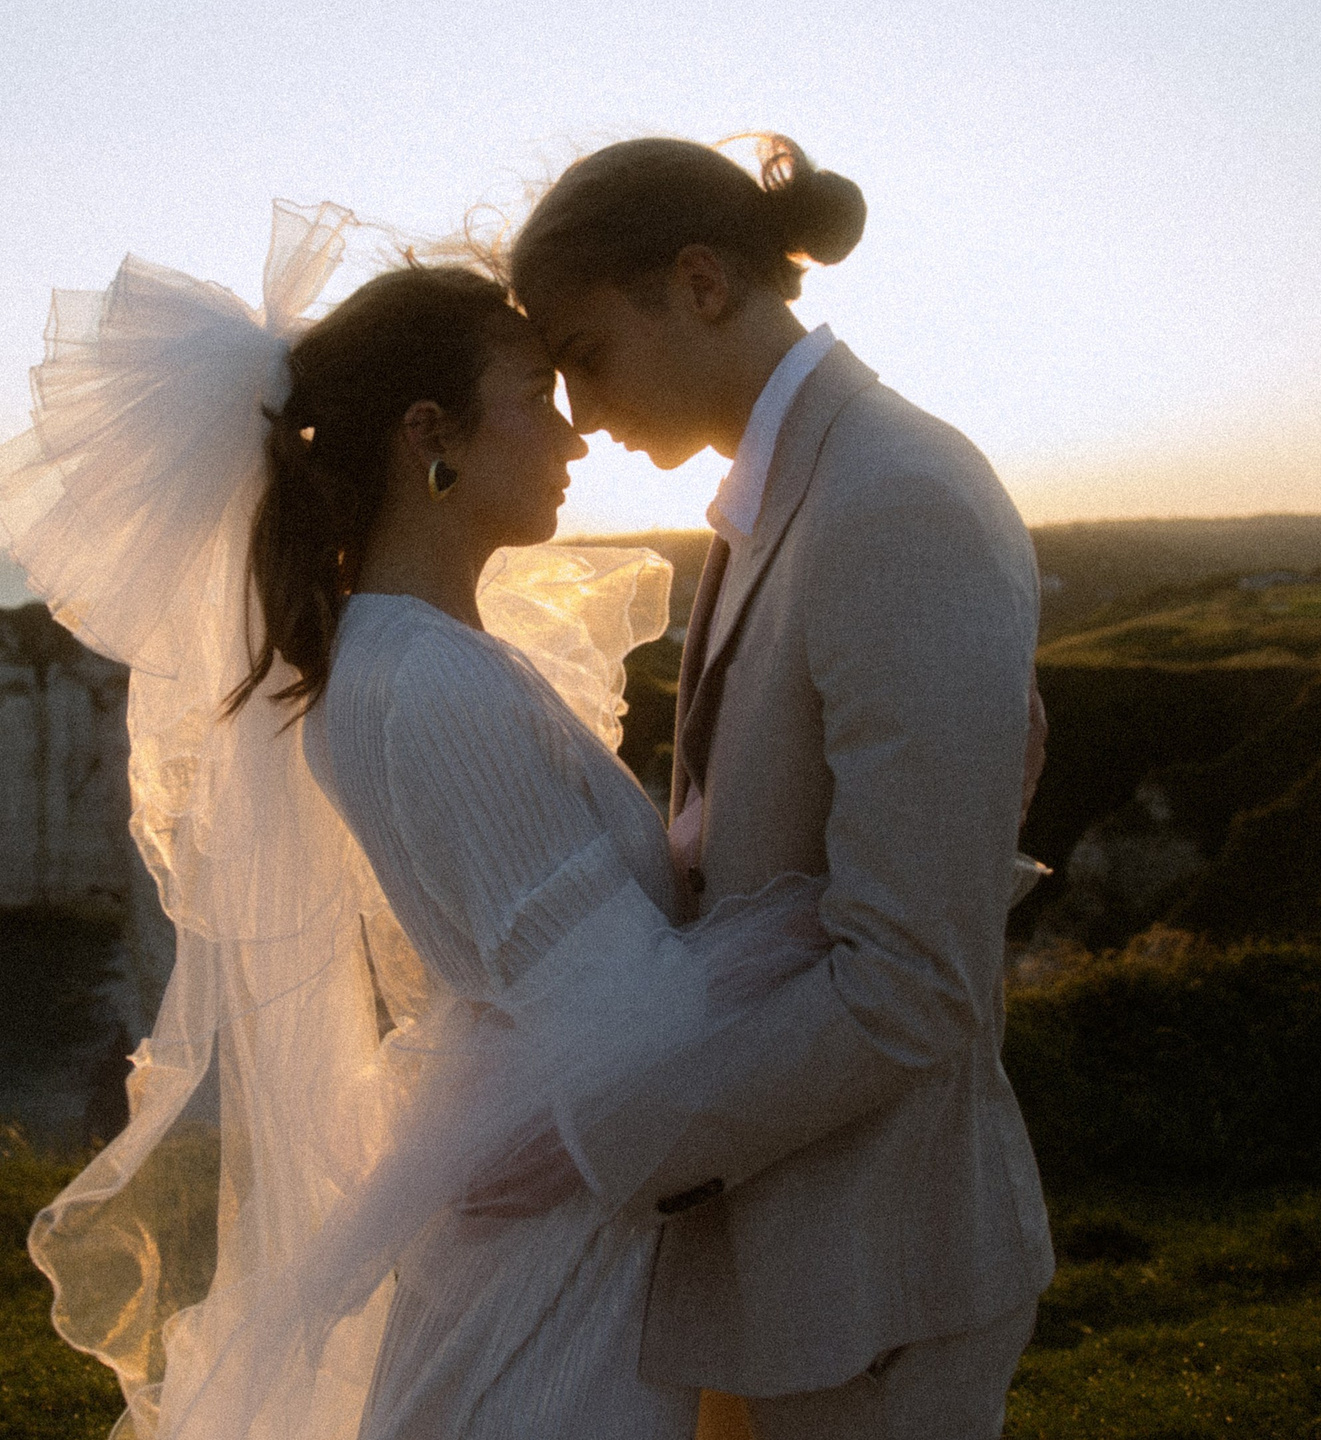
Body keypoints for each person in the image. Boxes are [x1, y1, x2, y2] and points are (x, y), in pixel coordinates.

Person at [0, 205, 834, 1440]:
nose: (574, 433)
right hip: (556, 1270)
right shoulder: (426, 682)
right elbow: (636, 1021)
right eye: (536, 397)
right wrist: (833, 895)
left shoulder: (417, 653)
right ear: (429, 437)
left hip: (554, 1206)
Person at [508, 134, 1056, 1440]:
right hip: (796, 1267)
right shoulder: (803, 493)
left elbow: (914, 980)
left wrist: (612, 1142)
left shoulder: (892, 502)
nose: (580, 413)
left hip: (872, 1282)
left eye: (587, 354)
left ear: (700, 282)